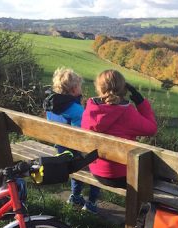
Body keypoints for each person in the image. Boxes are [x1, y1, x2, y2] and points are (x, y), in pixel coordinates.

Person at [81, 69, 157, 189]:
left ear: (99, 88)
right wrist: (140, 101)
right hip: (121, 176)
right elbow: (152, 129)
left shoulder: (90, 109)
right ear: (124, 89)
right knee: (158, 174)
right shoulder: (127, 112)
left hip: (96, 171)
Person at [43, 67, 100, 213]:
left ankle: (75, 196)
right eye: (80, 85)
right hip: (73, 156)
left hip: (61, 150)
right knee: (97, 160)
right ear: (74, 89)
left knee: (77, 155)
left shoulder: (51, 105)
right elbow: (83, 139)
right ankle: (91, 203)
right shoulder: (76, 109)